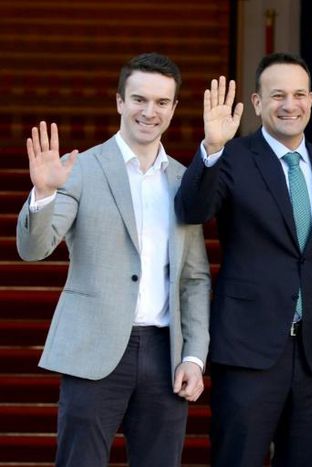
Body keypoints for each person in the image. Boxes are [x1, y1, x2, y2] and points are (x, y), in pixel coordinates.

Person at [15, 53, 211, 466]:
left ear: (174, 109)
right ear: (119, 101)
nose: (149, 111)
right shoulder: (80, 169)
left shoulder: (183, 179)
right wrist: (44, 194)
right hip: (94, 352)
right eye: (139, 99)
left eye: (161, 103)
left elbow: (194, 279)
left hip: (165, 353)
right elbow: (34, 249)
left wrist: (194, 355)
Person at [174, 52, 312, 467]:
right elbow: (192, 210)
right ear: (258, 104)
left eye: (298, 94)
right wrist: (211, 147)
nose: (289, 104)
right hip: (247, 352)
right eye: (277, 94)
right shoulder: (233, 157)